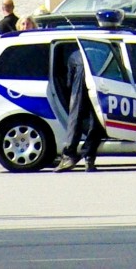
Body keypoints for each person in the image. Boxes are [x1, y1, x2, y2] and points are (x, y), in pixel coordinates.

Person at [52, 38, 107, 172]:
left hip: (79, 89)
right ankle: (89, 157)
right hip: (100, 87)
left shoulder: (74, 55)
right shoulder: (103, 52)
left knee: (75, 119)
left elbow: (69, 82)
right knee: (97, 121)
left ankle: (69, 155)